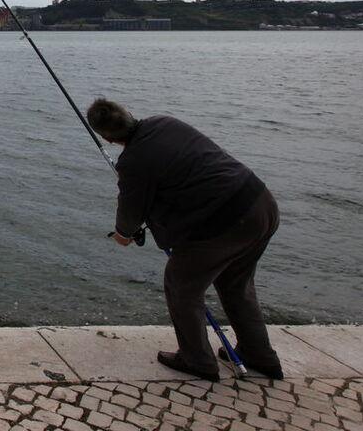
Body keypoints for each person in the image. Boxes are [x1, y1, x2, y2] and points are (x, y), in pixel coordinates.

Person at [86, 98, 283, 381]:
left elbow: (130, 211)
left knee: (181, 286)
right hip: (261, 205)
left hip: (225, 223)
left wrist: (123, 235)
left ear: (106, 137)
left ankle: (197, 360)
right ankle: (259, 355)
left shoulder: (132, 162)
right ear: (129, 112)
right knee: (236, 285)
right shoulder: (165, 122)